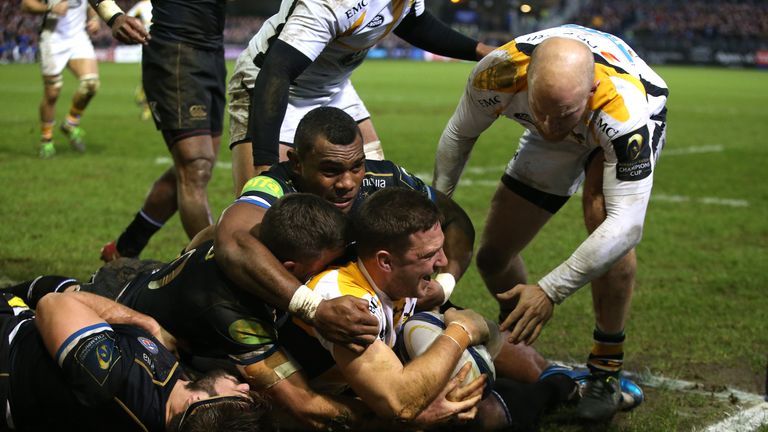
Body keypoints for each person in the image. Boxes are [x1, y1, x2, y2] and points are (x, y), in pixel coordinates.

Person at [5, 194, 479, 430]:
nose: (325, 278)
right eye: (317, 273)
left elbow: (213, 234)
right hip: (112, 301)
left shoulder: (254, 241)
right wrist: (390, 419)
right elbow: (302, 404)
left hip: (128, 294)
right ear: (288, 268)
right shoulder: (234, 316)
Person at [433, 24, 668, 421]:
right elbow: (459, 134)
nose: (548, 126)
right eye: (538, 111)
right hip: (570, 107)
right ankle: (529, 358)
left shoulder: (624, 108)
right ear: (529, 81)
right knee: (494, 258)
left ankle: (606, 372)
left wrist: (549, 290)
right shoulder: (500, 72)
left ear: (591, 89)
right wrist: (438, 211)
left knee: (602, 217)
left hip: (614, 116)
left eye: (561, 115)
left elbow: (627, 224)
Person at [277, 187, 581, 431]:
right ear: (385, 261)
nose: (443, 263)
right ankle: (556, 389)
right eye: (429, 255)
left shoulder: (399, 280)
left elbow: (480, 330)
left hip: (364, 387)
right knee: (471, 413)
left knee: (484, 368)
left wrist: (481, 330)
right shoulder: (346, 303)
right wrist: (461, 332)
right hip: (321, 409)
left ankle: (566, 380)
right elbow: (398, 402)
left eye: (441, 249)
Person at [214, 106, 475, 358]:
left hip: (381, 311)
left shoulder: (383, 179)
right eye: (330, 170)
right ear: (296, 162)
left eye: (356, 166)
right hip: (297, 330)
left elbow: (456, 219)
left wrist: (445, 285)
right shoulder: (274, 186)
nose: (347, 183)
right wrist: (314, 309)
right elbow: (234, 240)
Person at [227, 0, 496, 195]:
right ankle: (194, 262)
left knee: (373, 195)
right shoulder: (333, 4)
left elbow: (414, 22)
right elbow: (277, 71)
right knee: (260, 215)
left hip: (334, 87)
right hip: (272, 85)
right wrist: (265, 165)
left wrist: (483, 50)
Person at [0, 290, 274, 431]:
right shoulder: (165, 396)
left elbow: (52, 304)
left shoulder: (114, 378)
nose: (245, 388)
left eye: (240, 399)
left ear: (195, 405)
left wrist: (143, 322)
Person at [98, 0, 228, 262]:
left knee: (194, 167)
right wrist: (113, 16)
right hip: (174, 51)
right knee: (196, 167)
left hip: (212, 53)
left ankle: (125, 248)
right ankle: (215, 269)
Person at [21, 0, 101, 158]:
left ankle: (70, 124)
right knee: (52, 93)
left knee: (91, 84)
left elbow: (93, 4)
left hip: (79, 38)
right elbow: (26, 5)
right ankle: (47, 140)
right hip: (53, 39)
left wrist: (94, 19)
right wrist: (50, 7)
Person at [125, 0, 153, 120]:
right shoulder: (142, 5)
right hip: (147, 44)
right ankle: (146, 104)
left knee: (158, 77)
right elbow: (127, 17)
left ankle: (144, 98)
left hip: (166, 43)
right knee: (148, 76)